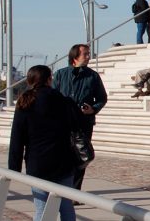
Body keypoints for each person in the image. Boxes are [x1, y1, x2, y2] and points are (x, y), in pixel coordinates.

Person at [8, 64, 82, 221]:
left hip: (37, 163)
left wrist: (14, 168)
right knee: (66, 207)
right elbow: (77, 126)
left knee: (41, 209)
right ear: (49, 79)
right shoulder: (63, 100)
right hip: (63, 161)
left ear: (30, 81)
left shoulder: (25, 102)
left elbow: (17, 138)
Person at [53, 44, 107, 191]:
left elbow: (102, 98)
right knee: (62, 156)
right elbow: (53, 96)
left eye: (89, 53)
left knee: (81, 157)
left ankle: (75, 192)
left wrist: (93, 109)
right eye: (85, 54)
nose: (89, 56)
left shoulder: (93, 76)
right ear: (75, 57)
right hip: (63, 122)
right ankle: (61, 188)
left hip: (84, 123)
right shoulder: (60, 74)